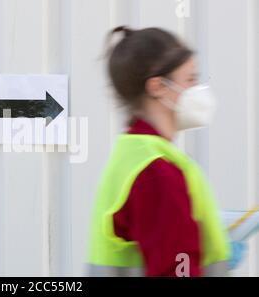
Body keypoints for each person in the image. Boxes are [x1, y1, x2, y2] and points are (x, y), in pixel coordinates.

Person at [87, 26, 245, 277]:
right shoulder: (157, 173)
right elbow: (176, 269)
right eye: (191, 79)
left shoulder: (134, 155)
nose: (199, 90)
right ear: (158, 86)